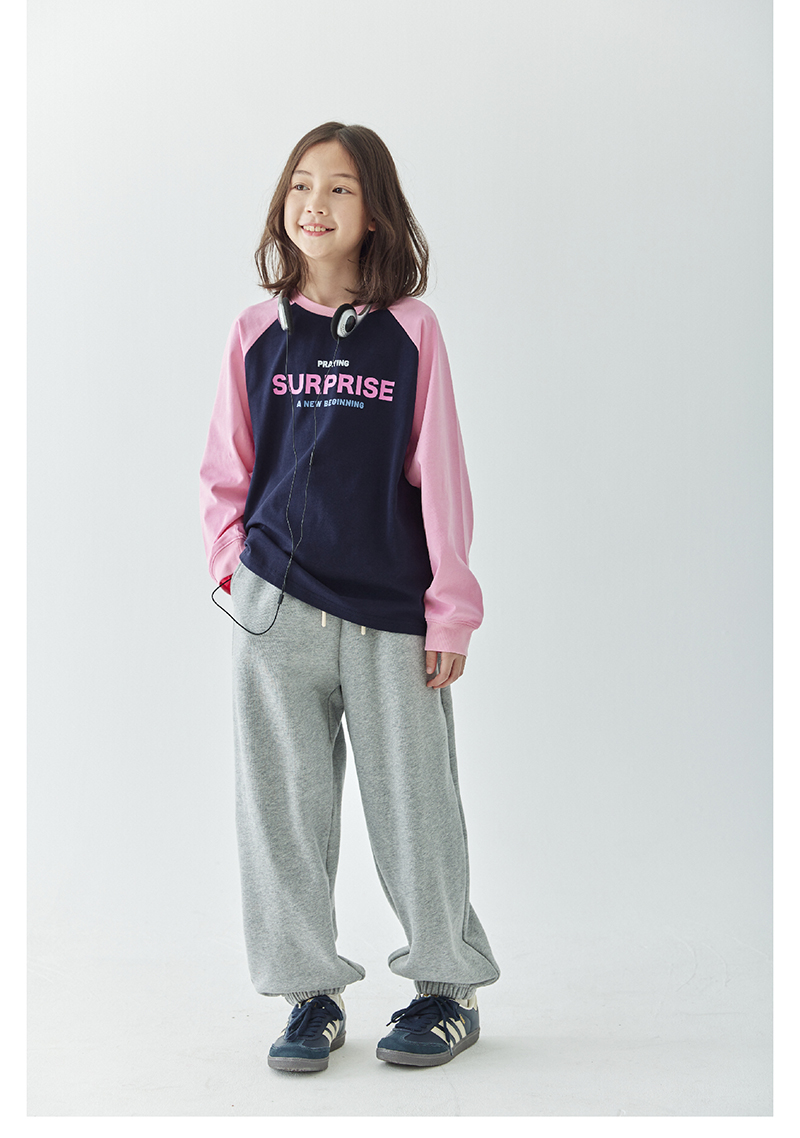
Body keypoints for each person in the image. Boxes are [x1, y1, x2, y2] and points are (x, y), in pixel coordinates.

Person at [199, 121, 499, 1073]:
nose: (314, 205)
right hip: (275, 609)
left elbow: (440, 475)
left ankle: (446, 989)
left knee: (417, 808)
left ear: (373, 213)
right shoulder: (256, 333)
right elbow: (225, 470)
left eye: (338, 188)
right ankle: (309, 996)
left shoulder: (412, 330)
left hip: (389, 613)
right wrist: (233, 568)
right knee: (281, 815)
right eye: (300, 185)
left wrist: (451, 607)